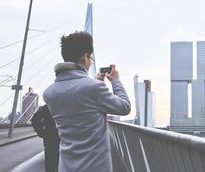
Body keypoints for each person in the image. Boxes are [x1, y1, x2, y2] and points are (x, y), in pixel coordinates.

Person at [43, 31, 131, 172]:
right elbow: (124, 107)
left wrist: (97, 84)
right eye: (90, 57)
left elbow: (78, 103)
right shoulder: (94, 88)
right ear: (85, 57)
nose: (90, 62)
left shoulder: (49, 93)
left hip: (65, 167)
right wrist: (115, 81)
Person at [31, 104, 60, 172]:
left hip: (50, 140)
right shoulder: (70, 105)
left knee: (50, 166)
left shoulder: (49, 105)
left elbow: (35, 119)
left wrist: (42, 133)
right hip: (66, 141)